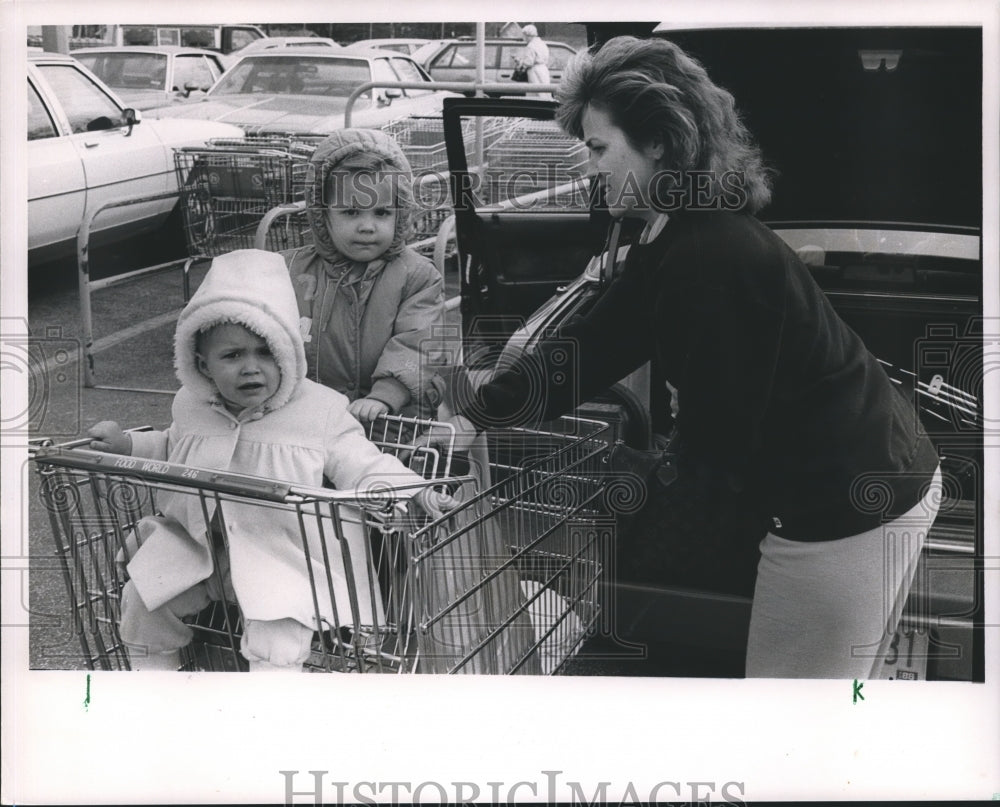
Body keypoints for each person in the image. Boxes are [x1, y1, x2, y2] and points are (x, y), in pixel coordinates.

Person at [433, 36, 943, 679]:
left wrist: (622, 477)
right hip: (871, 473)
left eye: (597, 148)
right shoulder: (674, 231)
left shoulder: (708, 255)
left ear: (660, 144)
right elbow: (593, 345)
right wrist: (479, 410)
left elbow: (718, 443)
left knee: (797, 717)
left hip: (842, 505)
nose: (588, 168)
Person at [88, 249, 452, 672]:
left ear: (289, 354)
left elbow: (362, 462)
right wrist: (126, 447)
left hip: (283, 557)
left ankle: (272, 707)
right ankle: (152, 688)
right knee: (144, 599)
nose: (251, 368)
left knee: (277, 636)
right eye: (232, 355)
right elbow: (173, 447)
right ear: (202, 364)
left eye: (266, 353)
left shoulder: (320, 410)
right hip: (200, 548)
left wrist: (413, 489)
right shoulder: (191, 404)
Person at [282, 128, 444, 423]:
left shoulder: (417, 276)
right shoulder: (292, 270)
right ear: (322, 214)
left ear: (401, 213)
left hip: (392, 424)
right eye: (351, 212)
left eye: (381, 213)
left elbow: (418, 341)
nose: (367, 226)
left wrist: (387, 394)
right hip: (309, 419)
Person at [516, 24, 551, 95]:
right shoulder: (542, 44)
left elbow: (529, 62)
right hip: (544, 69)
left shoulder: (531, 46)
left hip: (534, 71)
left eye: (524, 36)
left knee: (535, 93)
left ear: (527, 35)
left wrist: (520, 61)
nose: (523, 38)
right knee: (545, 92)